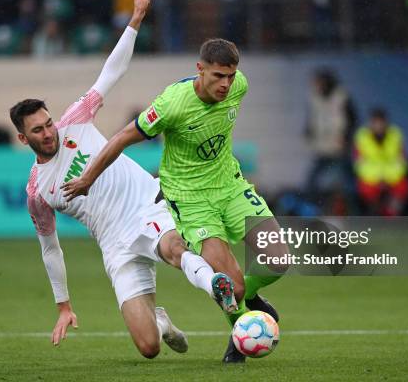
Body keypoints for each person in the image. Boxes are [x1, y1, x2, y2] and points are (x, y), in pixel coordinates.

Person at [9, 0, 235, 359]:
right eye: (38, 131)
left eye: (49, 124)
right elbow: (50, 249)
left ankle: (216, 286)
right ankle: (161, 321)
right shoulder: (37, 191)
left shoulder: (76, 121)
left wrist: (134, 21)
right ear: (23, 138)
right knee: (148, 346)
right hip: (114, 242)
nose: (49, 133)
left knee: (174, 248)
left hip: (148, 205)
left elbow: (111, 72)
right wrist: (63, 305)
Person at [61, 37, 290, 363]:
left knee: (278, 260)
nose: (226, 84)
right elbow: (122, 138)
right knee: (230, 287)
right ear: (199, 70)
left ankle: (247, 299)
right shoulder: (172, 104)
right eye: (217, 76)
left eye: (230, 75)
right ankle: (240, 333)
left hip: (230, 186)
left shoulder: (240, 85)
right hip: (191, 200)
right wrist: (87, 179)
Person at [353, 108, 408, 216]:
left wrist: (387, 177)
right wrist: (377, 178)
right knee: (365, 189)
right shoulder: (362, 137)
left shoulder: (395, 135)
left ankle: (390, 215)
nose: (379, 126)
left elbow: (402, 162)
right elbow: (359, 164)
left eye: (381, 122)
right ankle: (376, 215)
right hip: (371, 178)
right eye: (376, 123)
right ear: (371, 123)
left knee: (403, 186)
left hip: (391, 176)